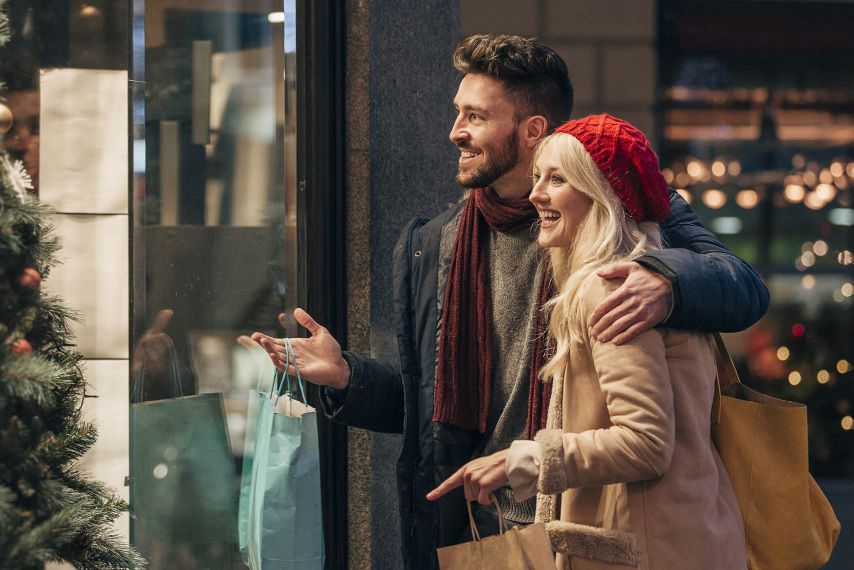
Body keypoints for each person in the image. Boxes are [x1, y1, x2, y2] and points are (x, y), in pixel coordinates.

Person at [251, 35, 767, 570]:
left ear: (532, 130)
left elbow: (743, 287)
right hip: (482, 530)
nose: (456, 132)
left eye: (475, 116)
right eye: (458, 113)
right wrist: (347, 377)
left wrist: (665, 281)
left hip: (588, 526)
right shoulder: (436, 243)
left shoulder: (622, 216)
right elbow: (434, 413)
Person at [428, 114, 748, 569]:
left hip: (649, 550)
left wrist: (523, 459)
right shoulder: (649, 278)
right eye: (538, 176)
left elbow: (644, 443)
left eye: (556, 179)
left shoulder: (612, 286)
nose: (537, 193)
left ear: (600, 195)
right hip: (682, 536)